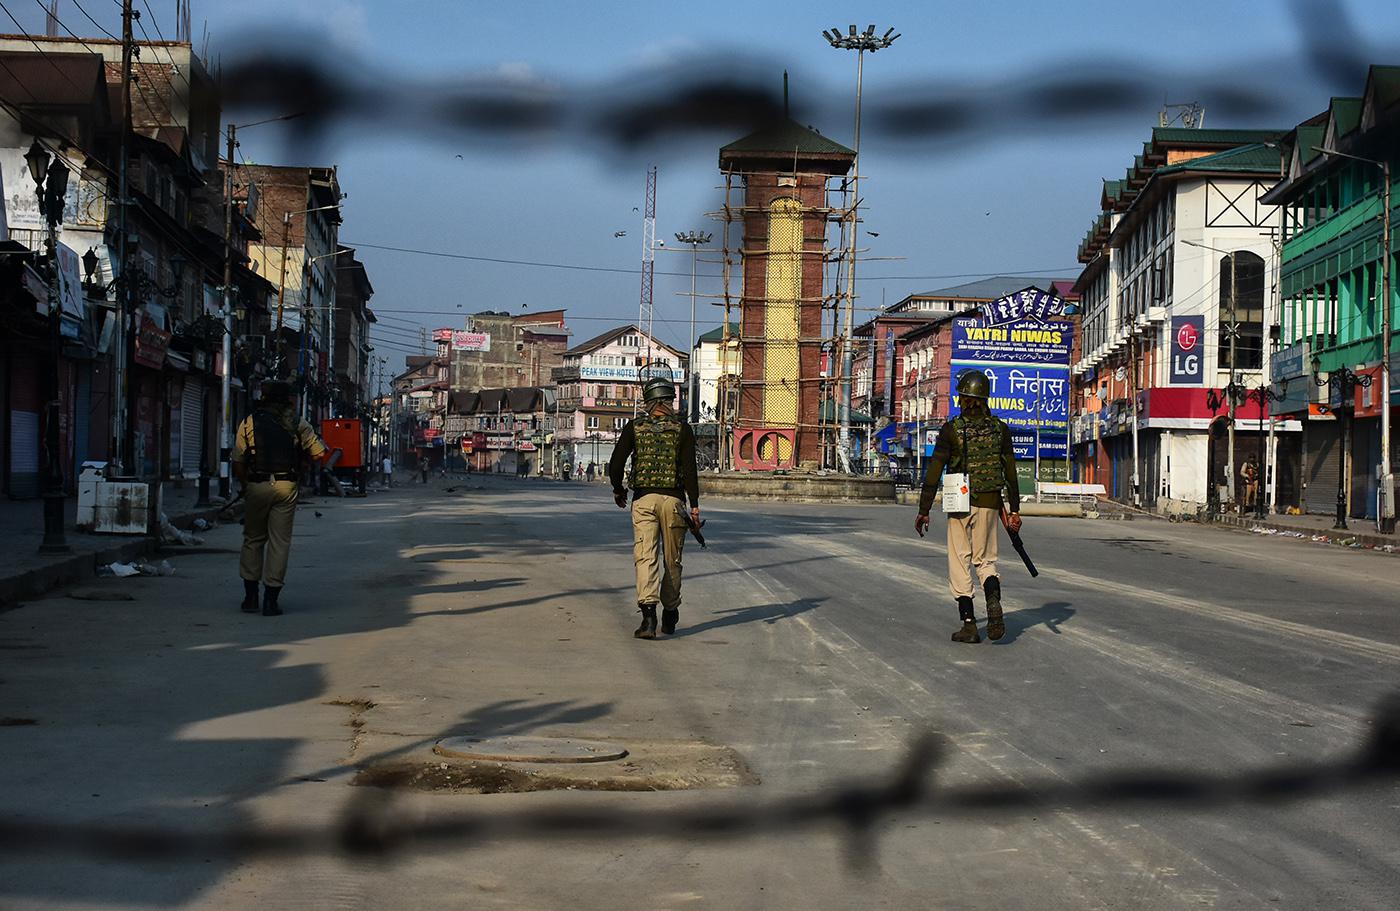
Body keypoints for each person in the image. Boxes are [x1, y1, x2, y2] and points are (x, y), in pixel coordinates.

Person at [913, 370, 1022, 643]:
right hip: (990, 501)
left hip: (959, 502)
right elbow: (1010, 471)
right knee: (985, 560)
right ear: (985, 398)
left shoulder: (952, 429)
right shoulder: (1000, 429)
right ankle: (993, 598)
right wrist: (1015, 509)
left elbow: (935, 470)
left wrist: (924, 509)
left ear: (962, 397)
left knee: (959, 560)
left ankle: (969, 624)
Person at [609, 375, 700, 640]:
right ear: (670, 400)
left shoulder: (634, 427)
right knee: (672, 559)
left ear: (647, 401)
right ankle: (670, 613)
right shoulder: (682, 429)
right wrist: (694, 506)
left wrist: (618, 489)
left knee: (645, 556)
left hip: (643, 500)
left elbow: (615, 464)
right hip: (674, 502)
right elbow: (690, 470)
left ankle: (648, 618)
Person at [233, 380, 329, 616]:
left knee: (253, 539)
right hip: (286, 486)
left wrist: (246, 485)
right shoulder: (297, 423)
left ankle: (251, 597)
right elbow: (319, 453)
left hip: (256, 484)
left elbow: (238, 461)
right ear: (287, 399)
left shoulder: (249, 422)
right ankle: (271, 600)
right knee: (279, 542)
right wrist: (302, 462)